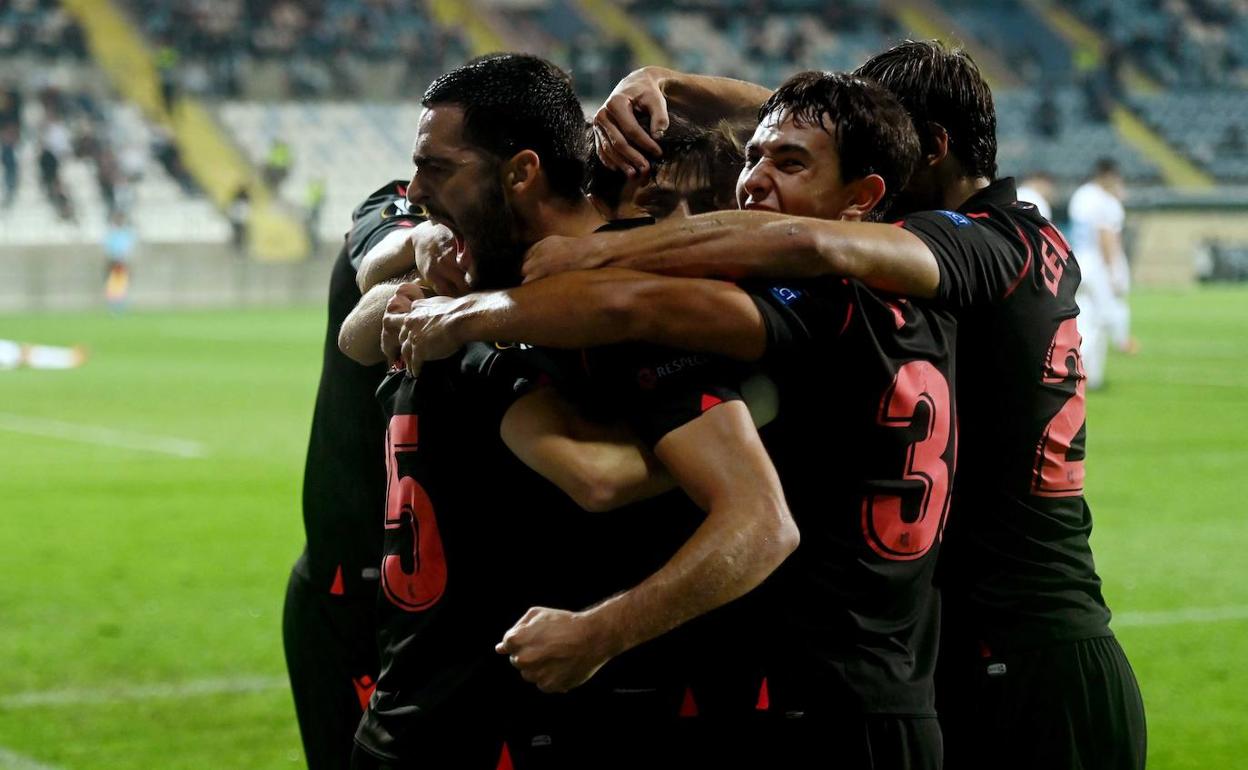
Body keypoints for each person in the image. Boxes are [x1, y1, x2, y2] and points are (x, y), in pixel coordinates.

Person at [504, 40, 1145, 770]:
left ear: (928, 151)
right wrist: (669, 83)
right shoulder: (1022, 235)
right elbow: (804, 127)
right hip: (1000, 646)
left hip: (1018, 658)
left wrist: (599, 253)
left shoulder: (966, 246)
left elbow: (810, 239)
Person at [389, 69, 954, 769]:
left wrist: (465, 317)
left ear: (862, 198)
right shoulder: (918, 285)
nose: (753, 185)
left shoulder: (819, 303)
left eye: (789, 164)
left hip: (817, 698)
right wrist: (667, 81)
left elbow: (632, 308)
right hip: (890, 680)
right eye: (753, 158)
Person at [346, 53, 795, 769]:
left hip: (452, 706)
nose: (419, 192)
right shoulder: (481, 275)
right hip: (478, 704)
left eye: (437, 169)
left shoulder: (587, 304)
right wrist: (768, 403)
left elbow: (757, 522)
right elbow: (601, 478)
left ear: (523, 172)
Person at [282, 180, 425, 770]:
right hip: (352, 594)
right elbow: (373, 266)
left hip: (460, 609)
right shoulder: (402, 203)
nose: (423, 181)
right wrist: (430, 240)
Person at [1068, 157, 1137, 390]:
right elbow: (1106, 236)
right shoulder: (1105, 201)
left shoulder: (1081, 195)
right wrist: (1114, 270)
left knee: (1084, 319)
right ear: (1109, 175)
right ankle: (1094, 372)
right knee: (1102, 319)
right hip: (1097, 265)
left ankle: (1079, 372)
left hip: (1078, 262)